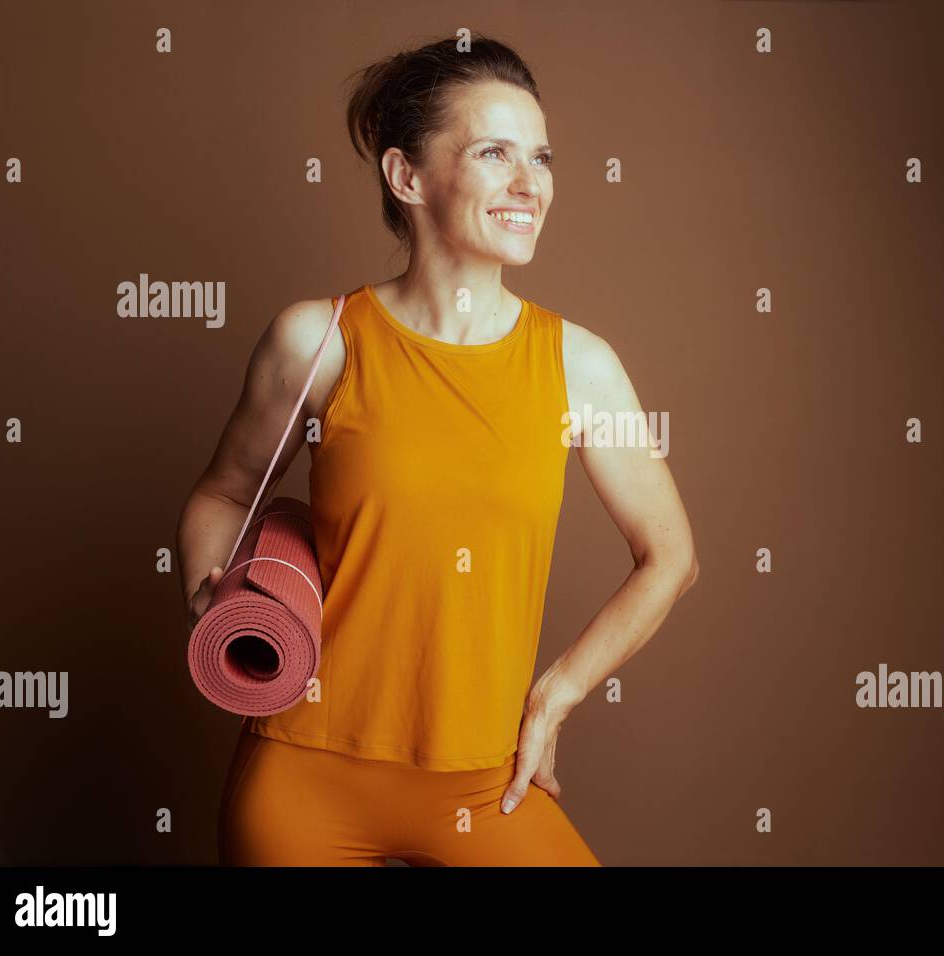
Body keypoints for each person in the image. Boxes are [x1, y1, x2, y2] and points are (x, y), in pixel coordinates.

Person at [175, 34, 699, 866]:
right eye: (495, 153)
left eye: (542, 156)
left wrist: (555, 697)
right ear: (406, 177)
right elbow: (225, 494)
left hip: (486, 784)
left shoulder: (581, 366)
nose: (531, 184)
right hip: (306, 771)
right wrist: (216, 591)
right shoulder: (319, 340)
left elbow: (669, 555)